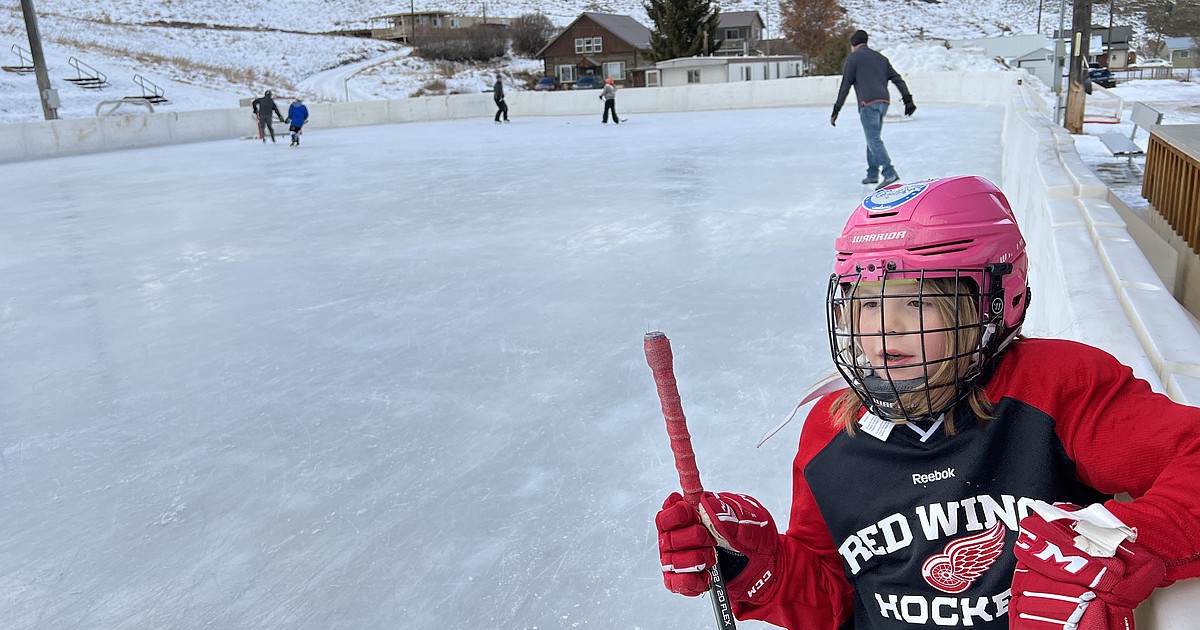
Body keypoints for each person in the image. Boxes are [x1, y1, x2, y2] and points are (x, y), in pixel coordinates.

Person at [655, 176, 1200, 630]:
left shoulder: (1056, 387)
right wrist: (756, 562)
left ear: (994, 302)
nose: (883, 332)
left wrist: (1109, 546)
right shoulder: (829, 434)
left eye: (918, 303)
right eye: (866, 305)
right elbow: (833, 598)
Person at [830, 30, 916, 190]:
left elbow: (845, 85)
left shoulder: (853, 58)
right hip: (883, 102)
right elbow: (897, 78)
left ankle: (889, 172)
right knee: (873, 137)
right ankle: (872, 173)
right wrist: (907, 99)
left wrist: (836, 109)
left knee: (873, 139)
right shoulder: (881, 58)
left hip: (867, 102)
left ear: (853, 44)